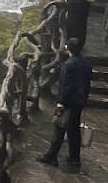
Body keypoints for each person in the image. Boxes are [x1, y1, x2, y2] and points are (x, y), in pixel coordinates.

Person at [39, 37, 93, 167]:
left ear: (67, 48)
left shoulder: (69, 64)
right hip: (79, 101)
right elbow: (86, 84)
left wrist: (61, 102)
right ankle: (74, 158)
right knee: (73, 129)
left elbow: (66, 85)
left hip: (68, 101)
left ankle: (51, 156)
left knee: (59, 127)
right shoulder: (86, 64)